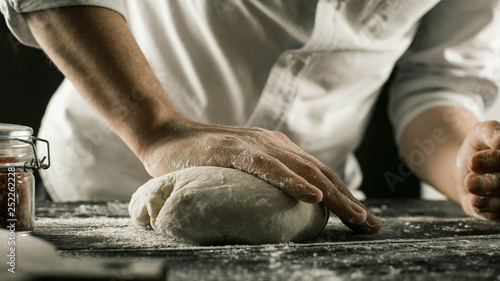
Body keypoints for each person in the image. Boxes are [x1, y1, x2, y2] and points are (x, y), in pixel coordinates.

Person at [2, 0, 500, 234]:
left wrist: (465, 166)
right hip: (102, 177)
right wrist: (155, 126)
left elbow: (440, 81)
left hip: (315, 204)